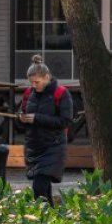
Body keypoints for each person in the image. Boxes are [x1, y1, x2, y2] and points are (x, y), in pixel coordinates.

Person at [16, 54, 72, 203]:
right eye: (31, 82)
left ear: (47, 77)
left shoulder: (61, 93)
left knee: (39, 186)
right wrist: (21, 117)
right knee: (43, 186)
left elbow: (65, 121)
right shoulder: (29, 93)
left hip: (53, 145)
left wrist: (37, 118)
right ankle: (49, 217)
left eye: (37, 82)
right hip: (33, 145)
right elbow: (22, 112)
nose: (34, 85)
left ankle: (42, 216)